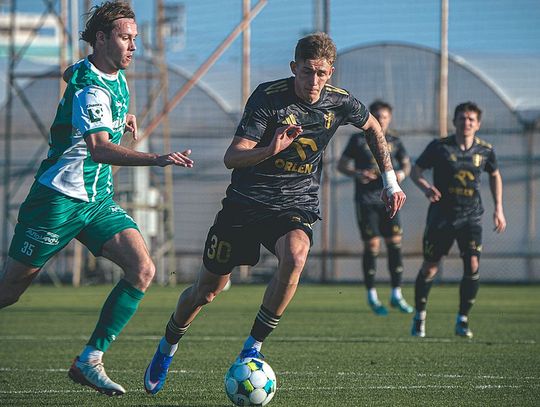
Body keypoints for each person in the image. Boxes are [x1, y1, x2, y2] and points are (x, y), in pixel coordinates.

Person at [143, 32, 406, 395]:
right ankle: (167, 345)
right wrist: (271, 148)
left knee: (296, 255)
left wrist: (390, 182)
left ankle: (253, 347)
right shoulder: (268, 98)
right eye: (307, 72)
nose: (314, 81)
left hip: (295, 202)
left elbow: (374, 126)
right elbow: (232, 157)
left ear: (331, 72)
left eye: (322, 73)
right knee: (206, 292)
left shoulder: (339, 102)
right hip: (245, 204)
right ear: (294, 68)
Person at [0, 1, 194, 396]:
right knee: (9, 291)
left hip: (96, 201)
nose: (133, 46)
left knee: (142, 269)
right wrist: (156, 158)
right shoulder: (92, 89)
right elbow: (100, 149)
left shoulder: (107, 73)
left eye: (135, 38)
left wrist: (122, 117)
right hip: (57, 201)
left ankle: (90, 360)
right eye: (125, 38)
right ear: (102, 39)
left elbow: (73, 71)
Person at [410, 102, 506, 338]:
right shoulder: (439, 147)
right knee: (430, 267)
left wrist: (499, 208)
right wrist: (426, 187)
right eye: (462, 118)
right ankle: (419, 315)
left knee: (472, 264)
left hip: (471, 216)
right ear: (454, 122)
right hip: (441, 216)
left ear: (478, 124)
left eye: (471, 119)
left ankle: (462, 319)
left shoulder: (485, 150)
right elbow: (415, 171)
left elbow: (495, 174)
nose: (466, 123)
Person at [337, 100, 413, 315]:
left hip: (389, 201)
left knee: (395, 243)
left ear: (390, 118)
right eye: (377, 116)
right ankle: (372, 296)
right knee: (372, 246)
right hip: (366, 200)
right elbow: (341, 165)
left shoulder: (395, 141)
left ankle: (396, 294)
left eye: (385, 117)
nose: (381, 120)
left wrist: (400, 175)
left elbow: (406, 164)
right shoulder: (357, 140)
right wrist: (357, 173)